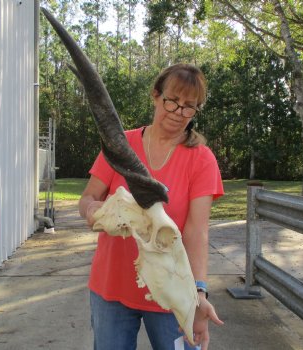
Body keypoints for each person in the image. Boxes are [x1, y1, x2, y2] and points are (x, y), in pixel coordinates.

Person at [79, 63, 224, 350]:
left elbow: (196, 231)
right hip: (112, 288)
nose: (178, 112)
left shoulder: (201, 159)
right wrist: (93, 211)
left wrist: (199, 293)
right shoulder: (120, 144)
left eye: (189, 106)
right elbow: (87, 198)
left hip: (172, 291)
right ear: (156, 96)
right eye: (172, 101)